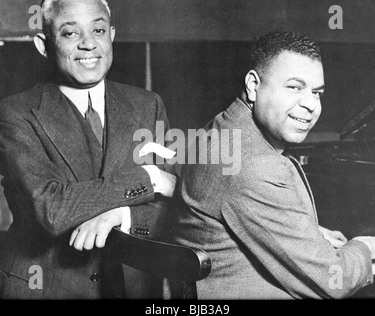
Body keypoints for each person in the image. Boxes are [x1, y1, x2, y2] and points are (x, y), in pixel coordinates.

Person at [172, 30, 375, 299]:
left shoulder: (220, 129)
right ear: (254, 85)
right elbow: (334, 281)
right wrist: (365, 247)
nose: (311, 105)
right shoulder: (258, 167)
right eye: (294, 87)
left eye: (317, 92)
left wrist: (311, 235)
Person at [0, 0, 176, 299]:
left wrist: (123, 216)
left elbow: (178, 206)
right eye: (70, 33)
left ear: (112, 35)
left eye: (98, 29)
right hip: (44, 288)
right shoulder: (15, 113)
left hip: (132, 288)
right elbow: (51, 209)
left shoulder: (148, 104)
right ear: (44, 44)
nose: (88, 44)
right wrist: (149, 178)